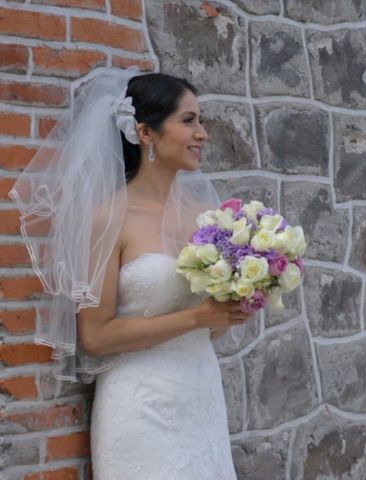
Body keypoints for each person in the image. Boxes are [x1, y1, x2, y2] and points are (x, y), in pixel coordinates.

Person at [10, 67, 251, 478]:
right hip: (140, 407)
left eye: (201, 121)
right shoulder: (110, 217)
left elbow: (212, 327)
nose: (202, 133)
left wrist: (239, 301)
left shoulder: (209, 219)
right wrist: (198, 317)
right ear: (146, 132)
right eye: (189, 120)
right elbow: (96, 336)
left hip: (200, 396)